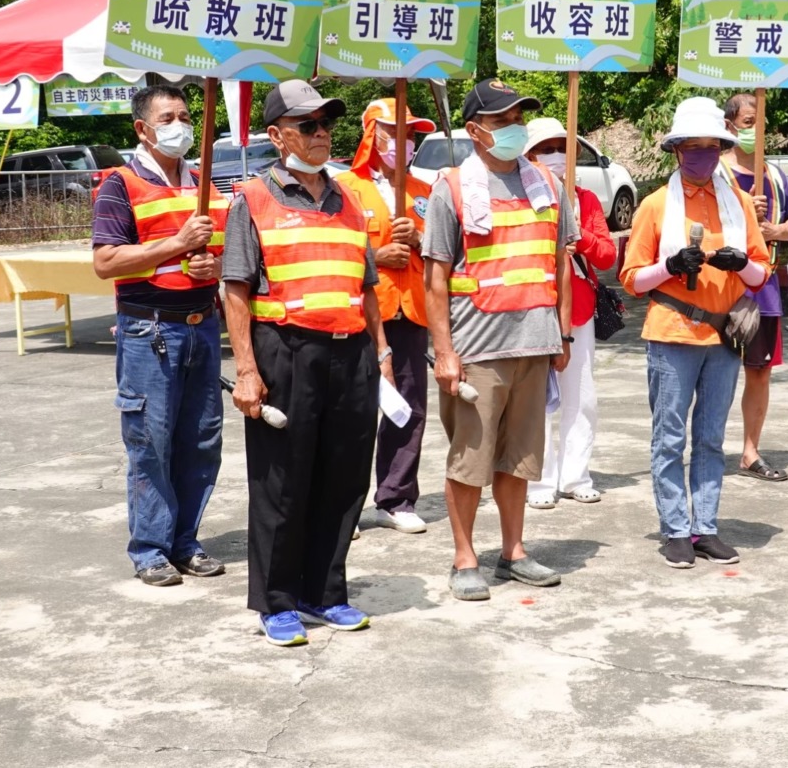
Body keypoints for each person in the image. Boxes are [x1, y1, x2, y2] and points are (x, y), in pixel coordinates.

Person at [223, 81, 393, 646]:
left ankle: (325, 592)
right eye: (308, 125)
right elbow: (236, 292)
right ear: (276, 135)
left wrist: (382, 353)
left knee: (344, 478)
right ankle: (277, 600)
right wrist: (247, 370)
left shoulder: (349, 198)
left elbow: (368, 286)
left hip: (351, 354)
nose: (322, 134)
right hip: (285, 351)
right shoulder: (253, 198)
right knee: (282, 481)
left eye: (326, 125)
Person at [422, 79, 577, 601]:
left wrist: (563, 332)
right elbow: (436, 276)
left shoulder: (549, 186)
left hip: (534, 343)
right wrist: (444, 352)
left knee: (520, 459)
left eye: (519, 117)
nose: (515, 127)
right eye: (502, 120)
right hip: (477, 350)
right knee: (470, 462)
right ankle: (465, 557)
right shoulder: (453, 186)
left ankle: (513, 551)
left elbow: (559, 264)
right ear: (474, 131)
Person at [619, 97, 770, 569]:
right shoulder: (656, 205)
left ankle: (705, 526)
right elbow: (630, 278)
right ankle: (675, 529)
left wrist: (741, 262)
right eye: (694, 146)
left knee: (710, 437)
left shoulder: (738, 203)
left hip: (723, 337)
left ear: (722, 148)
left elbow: (762, 273)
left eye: (711, 146)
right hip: (672, 332)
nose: (703, 154)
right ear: (678, 150)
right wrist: (668, 265)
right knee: (668, 437)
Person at [91, 84, 227, 587]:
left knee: (202, 440)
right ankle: (150, 547)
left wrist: (210, 261)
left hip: (202, 325)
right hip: (149, 330)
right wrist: (175, 245)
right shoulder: (119, 185)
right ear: (142, 129)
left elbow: (220, 255)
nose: (181, 125)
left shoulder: (205, 184)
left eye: (186, 115)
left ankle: (185, 541)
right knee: (150, 443)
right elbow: (106, 262)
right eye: (168, 117)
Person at [336, 98, 436, 535]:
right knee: (353, 408)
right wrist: (377, 255)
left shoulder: (424, 191)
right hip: (363, 312)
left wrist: (418, 238)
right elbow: (335, 253)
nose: (405, 141)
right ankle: (342, 502)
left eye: (411, 133)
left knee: (410, 407)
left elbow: (449, 253)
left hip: (411, 309)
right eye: (394, 132)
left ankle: (396, 496)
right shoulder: (346, 189)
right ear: (371, 134)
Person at [522, 117, 618, 510]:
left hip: (577, 311)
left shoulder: (586, 199)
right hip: (531, 312)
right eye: (545, 150)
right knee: (535, 401)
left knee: (582, 397)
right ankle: (539, 479)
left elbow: (608, 254)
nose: (556, 156)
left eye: (562, 148)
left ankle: (575, 474)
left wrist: (580, 233)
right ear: (528, 155)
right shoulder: (519, 197)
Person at [719, 93, 788, 483]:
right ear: (730, 126)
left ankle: (750, 451)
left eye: (761, 121)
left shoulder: (777, 177)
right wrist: (745, 209)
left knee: (759, 372)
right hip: (719, 292)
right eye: (749, 121)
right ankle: (707, 446)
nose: (756, 129)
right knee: (712, 372)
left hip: (763, 291)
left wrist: (775, 230)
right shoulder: (715, 173)